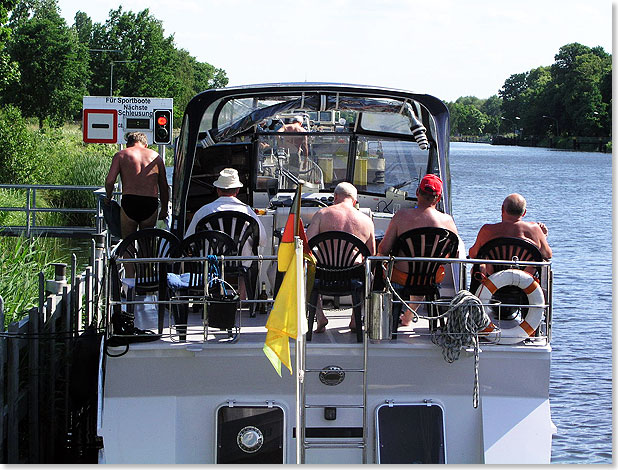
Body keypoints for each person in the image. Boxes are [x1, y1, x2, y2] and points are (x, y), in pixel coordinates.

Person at [377, 174, 459, 326]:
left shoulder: (401, 216)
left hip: (402, 276)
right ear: (438, 198)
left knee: (377, 264)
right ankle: (409, 316)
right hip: (432, 278)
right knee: (425, 271)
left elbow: (384, 248)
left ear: (417, 192)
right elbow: (455, 254)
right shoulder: (447, 221)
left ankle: (379, 316)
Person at [184, 168, 267, 298]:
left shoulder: (203, 211)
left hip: (211, 261)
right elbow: (262, 240)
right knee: (249, 255)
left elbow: (188, 241)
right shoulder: (247, 212)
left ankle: (206, 297)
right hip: (240, 262)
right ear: (237, 190)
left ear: (217, 190)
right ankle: (242, 299)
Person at [306, 182, 375, 333]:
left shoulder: (322, 214)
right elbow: (371, 255)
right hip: (353, 277)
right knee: (369, 272)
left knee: (307, 270)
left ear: (335, 196)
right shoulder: (367, 221)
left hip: (324, 274)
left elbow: (306, 246)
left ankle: (320, 315)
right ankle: (355, 319)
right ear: (354, 201)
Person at [104, 132, 169, 239]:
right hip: (150, 203)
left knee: (127, 244)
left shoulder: (121, 155)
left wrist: (108, 196)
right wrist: (164, 208)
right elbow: (163, 186)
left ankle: (127, 255)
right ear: (146, 145)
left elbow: (110, 181)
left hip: (129, 201)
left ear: (128, 144)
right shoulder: (156, 157)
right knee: (146, 246)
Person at [468, 193, 552, 264]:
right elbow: (547, 255)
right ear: (524, 212)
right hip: (525, 280)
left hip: (494, 280)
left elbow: (473, 254)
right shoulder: (535, 229)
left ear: (502, 209)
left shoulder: (487, 230)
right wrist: (543, 237)